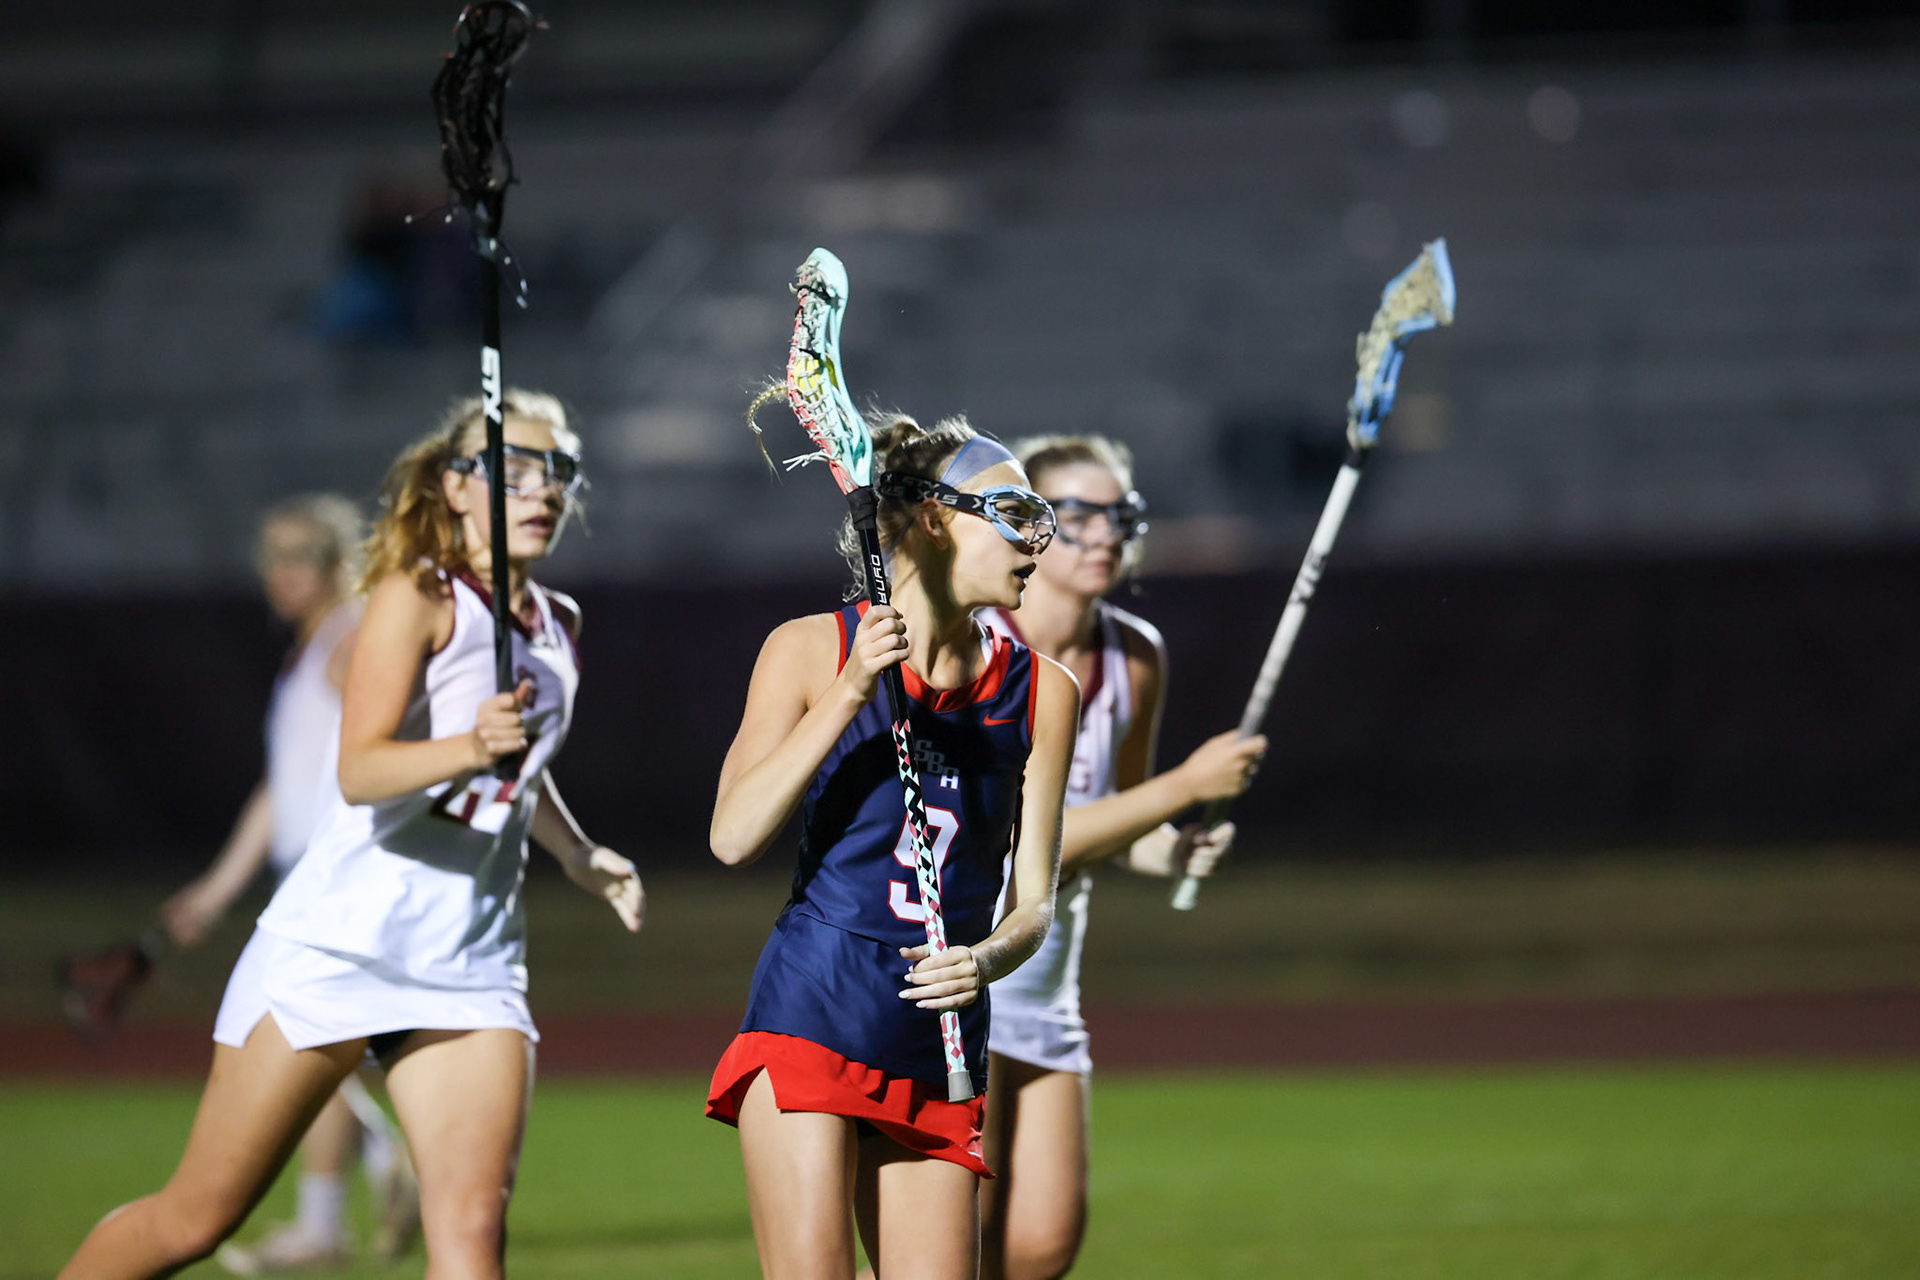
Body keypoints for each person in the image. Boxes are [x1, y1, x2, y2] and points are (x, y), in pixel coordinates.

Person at [57, 390, 642, 1280]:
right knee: (194, 1221)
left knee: (471, 1236)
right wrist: (467, 744)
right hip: (338, 943)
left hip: (472, 958)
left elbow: (518, 769)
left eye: (558, 470)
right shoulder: (416, 595)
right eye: (516, 470)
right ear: (456, 486)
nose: (545, 490)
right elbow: (360, 770)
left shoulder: (559, 623)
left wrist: (576, 852)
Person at [708, 415, 1079, 1280]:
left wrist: (985, 959)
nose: (1036, 541)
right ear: (935, 519)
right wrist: (849, 692)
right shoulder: (810, 649)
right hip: (814, 1007)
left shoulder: (1043, 692)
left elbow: (1035, 902)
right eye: (1013, 513)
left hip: (938, 1041)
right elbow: (732, 836)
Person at [976, 434, 1267, 1280]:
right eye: (1078, 516)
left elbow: (1120, 819)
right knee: (951, 1254)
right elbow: (1013, 839)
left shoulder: (1134, 655)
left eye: (1121, 517)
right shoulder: (975, 647)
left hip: (1047, 990)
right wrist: (1182, 788)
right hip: (966, 975)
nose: (1105, 535)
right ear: (1028, 525)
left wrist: (1174, 848)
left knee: (1039, 1252)